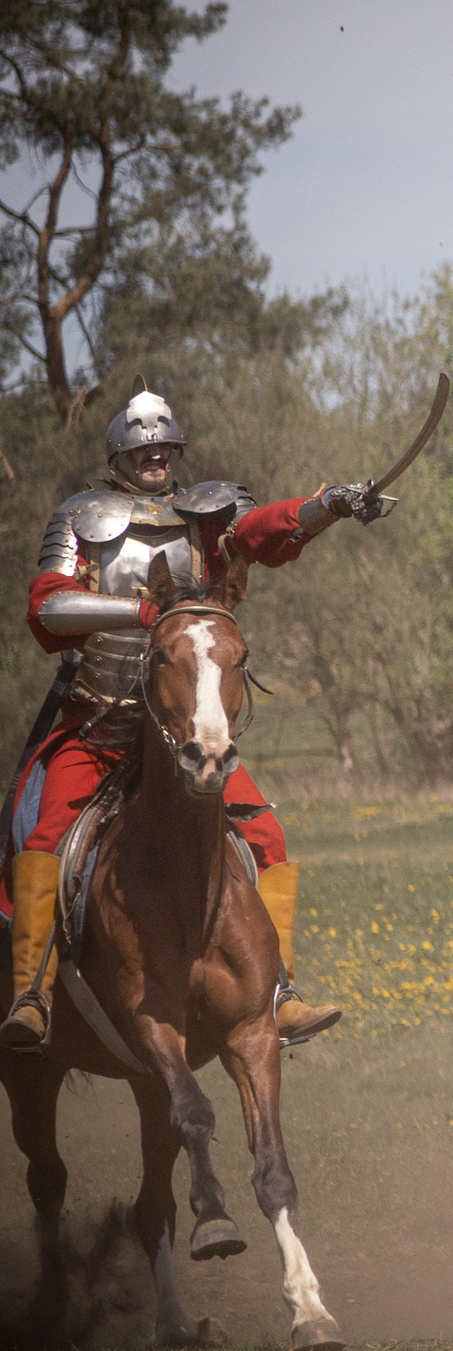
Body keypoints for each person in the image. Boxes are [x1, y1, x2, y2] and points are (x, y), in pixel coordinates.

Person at [3, 388, 390, 1051]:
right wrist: (134, 614)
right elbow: (48, 609)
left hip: (185, 728)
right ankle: (31, 995)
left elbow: (265, 532)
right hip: (98, 723)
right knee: (45, 836)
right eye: (141, 448)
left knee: (265, 835)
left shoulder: (204, 514)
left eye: (163, 447)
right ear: (119, 454)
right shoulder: (80, 517)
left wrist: (329, 504)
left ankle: (281, 992)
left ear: (176, 450)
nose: (155, 457)